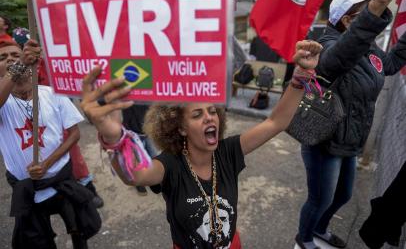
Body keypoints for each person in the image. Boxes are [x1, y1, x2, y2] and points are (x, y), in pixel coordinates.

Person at [80, 40, 322, 248]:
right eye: (197, 115)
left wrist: (301, 74)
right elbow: (136, 175)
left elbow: (276, 121)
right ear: (181, 128)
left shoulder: (228, 152)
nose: (209, 117)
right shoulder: (170, 165)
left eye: (212, 111)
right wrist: (113, 138)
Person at [295, 0, 406, 249]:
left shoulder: (367, 46)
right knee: (319, 199)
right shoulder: (328, 45)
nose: (375, 14)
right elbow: (338, 59)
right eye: (367, 10)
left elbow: (387, 65)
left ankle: (320, 229)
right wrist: (378, 5)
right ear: (347, 20)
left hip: (349, 140)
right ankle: (305, 238)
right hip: (325, 140)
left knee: (343, 195)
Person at [0, 40, 101, 249]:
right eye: (3, 57)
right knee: (39, 240)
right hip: (26, 186)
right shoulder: (4, 103)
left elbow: (74, 134)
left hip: (60, 176)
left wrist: (47, 163)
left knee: (78, 228)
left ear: (32, 62)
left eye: (15, 55)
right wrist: (18, 65)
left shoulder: (51, 93)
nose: (10, 58)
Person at [10, 27, 105, 208]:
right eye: (23, 47)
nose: (28, 51)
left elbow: (58, 80)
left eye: (31, 46)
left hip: (53, 111)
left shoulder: (43, 64)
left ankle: (88, 189)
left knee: (71, 152)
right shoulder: (12, 74)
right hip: (28, 125)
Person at [122, 104, 159, 196]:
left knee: (154, 156)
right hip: (131, 135)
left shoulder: (143, 93)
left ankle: (156, 179)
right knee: (137, 160)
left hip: (146, 131)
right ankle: (139, 182)